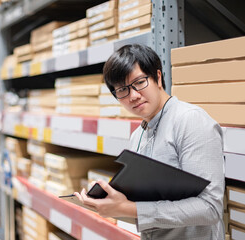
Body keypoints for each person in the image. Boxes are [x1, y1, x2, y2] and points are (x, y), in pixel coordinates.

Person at [74, 44, 225, 240]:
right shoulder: (137, 136)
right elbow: (146, 210)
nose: (133, 96)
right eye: (122, 90)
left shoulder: (190, 121)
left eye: (139, 82)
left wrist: (130, 208)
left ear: (158, 77)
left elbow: (210, 208)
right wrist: (111, 204)